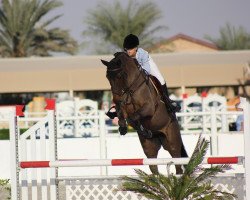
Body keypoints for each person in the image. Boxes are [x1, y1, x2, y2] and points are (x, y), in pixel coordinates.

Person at [123, 34, 180, 113]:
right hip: (138, 71)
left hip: (147, 65)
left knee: (161, 79)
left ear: (136, 48)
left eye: (131, 48)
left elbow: (147, 69)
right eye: (127, 49)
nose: (128, 51)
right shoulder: (126, 56)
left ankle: (167, 101)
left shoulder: (142, 53)